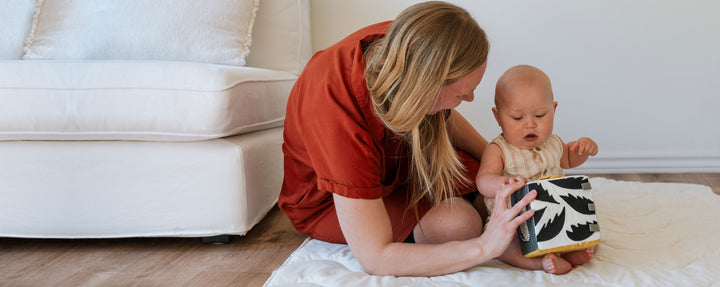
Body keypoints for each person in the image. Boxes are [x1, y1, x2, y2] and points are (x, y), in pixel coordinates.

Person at [279, 1, 538, 276]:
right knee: (459, 225)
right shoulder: (336, 107)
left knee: (496, 184)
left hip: (397, 158)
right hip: (329, 199)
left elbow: (445, 116)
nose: (471, 100)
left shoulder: (414, 42)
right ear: (426, 86)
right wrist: (484, 247)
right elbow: (376, 258)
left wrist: (502, 161)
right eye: (463, 95)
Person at [476, 64, 599, 274]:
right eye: (517, 118)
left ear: (554, 109)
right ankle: (539, 263)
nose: (530, 124)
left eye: (540, 115)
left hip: (556, 212)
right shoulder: (498, 149)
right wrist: (502, 183)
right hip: (517, 220)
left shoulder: (554, 142)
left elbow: (568, 160)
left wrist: (582, 151)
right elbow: (483, 180)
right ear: (498, 117)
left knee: (587, 227)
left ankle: (573, 252)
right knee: (503, 247)